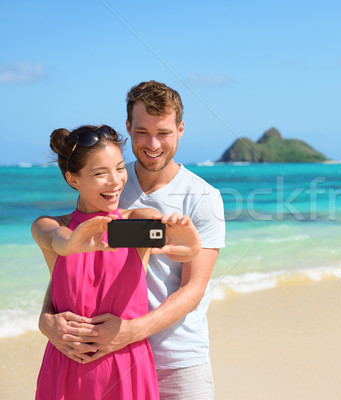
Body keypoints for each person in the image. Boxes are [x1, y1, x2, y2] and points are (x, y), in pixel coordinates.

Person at [38, 81, 226, 399]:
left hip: (176, 361)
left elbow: (193, 289)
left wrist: (127, 333)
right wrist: (47, 320)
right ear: (128, 127)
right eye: (141, 132)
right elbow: (69, 259)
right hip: (105, 359)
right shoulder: (111, 182)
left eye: (164, 132)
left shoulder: (202, 197)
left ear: (180, 129)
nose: (152, 144)